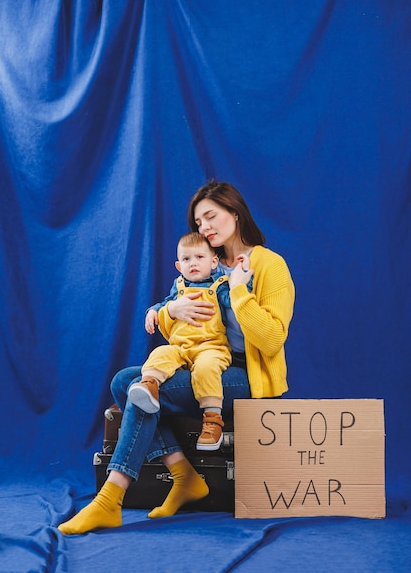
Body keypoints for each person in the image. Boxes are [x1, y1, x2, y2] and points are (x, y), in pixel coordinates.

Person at [58, 180, 295, 535]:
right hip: (197, 361)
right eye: (199, 223)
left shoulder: (269, 265)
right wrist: (173, 310)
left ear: (234, 212)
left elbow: (273, 340)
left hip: (245, 376)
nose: (205, 228)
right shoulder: (204, 265)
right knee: (124, 381)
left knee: (138, 387)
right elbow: (183, 336)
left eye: (211, 216)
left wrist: (240, 292)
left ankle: (110, 499)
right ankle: (184, 475)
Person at [128, 231, 252, 451]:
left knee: (207, 369)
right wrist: (153, 311)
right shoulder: (179, 286)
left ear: (214, 262)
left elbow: (236, 302)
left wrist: (242, 281)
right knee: (160, 354)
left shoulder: (220, 286)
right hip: (181, 347)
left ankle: (212, 421)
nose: (193, 263)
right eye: (186, 259)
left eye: (199, 257)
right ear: (178, 266)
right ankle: (149, 386)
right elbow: (166, 302)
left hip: (211, 347)